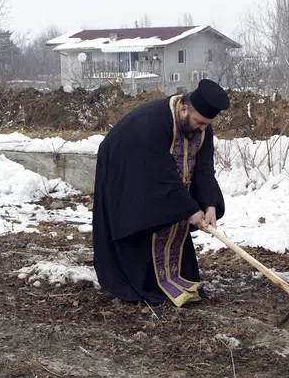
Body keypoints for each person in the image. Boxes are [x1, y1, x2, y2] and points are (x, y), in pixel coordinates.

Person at [92, 79, 229, 307]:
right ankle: (140, 279)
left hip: (160, 173)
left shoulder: (201, 126)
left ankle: (173, 273)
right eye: (199, 123)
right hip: (125, 165)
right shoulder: (152, 123)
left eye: (207, 125)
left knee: (175, 211)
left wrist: (209, 205)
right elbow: (161, 175)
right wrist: (190, 210)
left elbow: (204, 169)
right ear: (184, 109)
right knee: (142, 213)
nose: (202, 129)